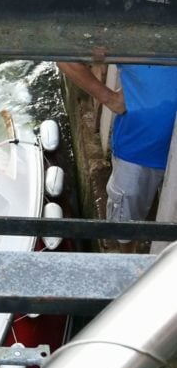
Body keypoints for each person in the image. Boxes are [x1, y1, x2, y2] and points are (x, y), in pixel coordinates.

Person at [57, 63, 177, 253]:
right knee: (125, 225)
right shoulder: (131, 35)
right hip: (139, 149)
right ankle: (129, 260)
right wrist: (109, 98)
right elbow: (66, 59)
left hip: (154, 148)